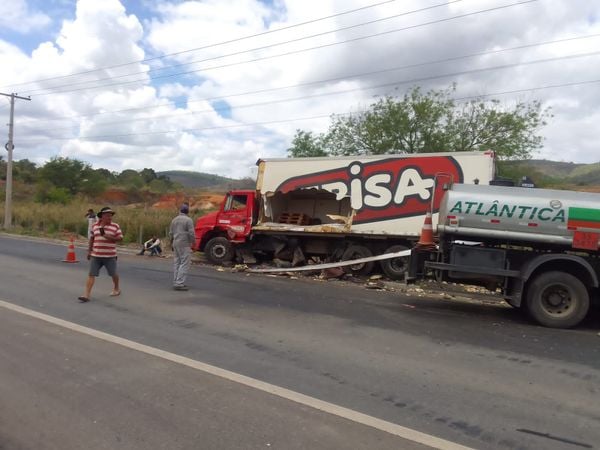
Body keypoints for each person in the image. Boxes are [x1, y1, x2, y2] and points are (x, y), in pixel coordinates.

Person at [78, 206, 123, 302]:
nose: (109, 217)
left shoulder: (115, 226)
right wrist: (89, 251)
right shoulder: (95, 226)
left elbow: (120, 238)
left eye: (111, 216)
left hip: (110, 256)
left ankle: (116, 288)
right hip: (96, 255)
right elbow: (92, 239)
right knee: (91, 274)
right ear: (101, 216)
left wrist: (107, 236)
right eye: (107, 215)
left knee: (113, 274)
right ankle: (86, 295)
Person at [169, 203, 195, 291]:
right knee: (184, 263)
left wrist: (171, 243)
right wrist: (193, 243)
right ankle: (179, 283)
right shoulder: (188, 220)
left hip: (175, 243)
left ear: (180, 210)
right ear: (187, 211)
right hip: (184, 244)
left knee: (177, 262)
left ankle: (176, 281)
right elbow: (191, 233)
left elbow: (171, 233)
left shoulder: (174, 220)